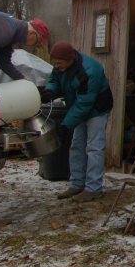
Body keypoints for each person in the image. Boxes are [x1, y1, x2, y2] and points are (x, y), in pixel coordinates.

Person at [42, 41, 113, 202]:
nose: (56, 65)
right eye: (55, 62)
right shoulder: (61, 64)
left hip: (96, 109)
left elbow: (85, 103)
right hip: (78, 106)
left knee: (94, 147)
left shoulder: (90, 70)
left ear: (70, 59)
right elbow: (55, 79)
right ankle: (77, 184)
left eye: (59, 63)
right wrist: (49, 91)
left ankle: (94, 188)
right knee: (76, 145)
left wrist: (66, 124)